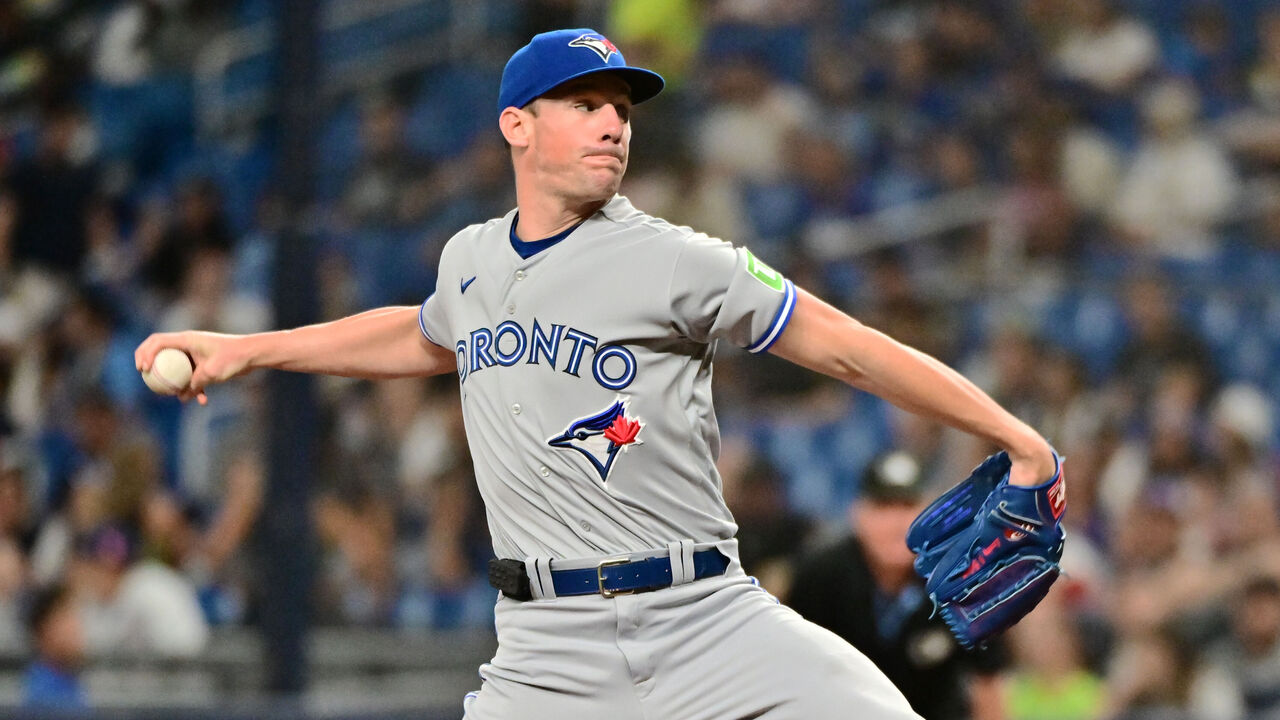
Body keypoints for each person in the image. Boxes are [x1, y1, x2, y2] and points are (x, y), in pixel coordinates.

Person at [136, 28, 1061, 720]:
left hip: (706, 620)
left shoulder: (679, 261)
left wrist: (1013, 436)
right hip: (544, 653)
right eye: (585, 103)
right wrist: (248, 350)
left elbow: (852, 346)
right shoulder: (469, 261)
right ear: (517, 125)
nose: (614, 122)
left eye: (621, 107)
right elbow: (420, 334)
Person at [787, 451, 1009, 720]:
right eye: (883, 507)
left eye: (907, 506)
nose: (896, 523)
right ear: (858, 514)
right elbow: (790, 672)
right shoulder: (821, 576)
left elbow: (987, 683)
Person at [22, 583, 87, 710]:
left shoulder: (73, 680)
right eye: (66, 618)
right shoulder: (39, 693)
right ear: (44, 630)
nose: (76, 627)